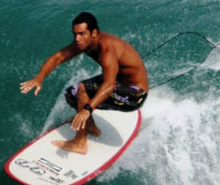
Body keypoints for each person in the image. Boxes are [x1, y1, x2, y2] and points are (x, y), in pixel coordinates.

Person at [19, 12, 148, 154]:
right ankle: (91, 127)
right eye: (75, 34)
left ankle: (80, 143)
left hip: (135, 94)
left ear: (93, 33)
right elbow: (57, 58)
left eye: (81, 34)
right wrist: (39, 77)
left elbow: (109, 85)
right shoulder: (84, 42)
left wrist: (87, 109)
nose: (77, 38)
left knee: (82, 89)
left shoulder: (107, 49)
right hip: (118, 82)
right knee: (71, 94)